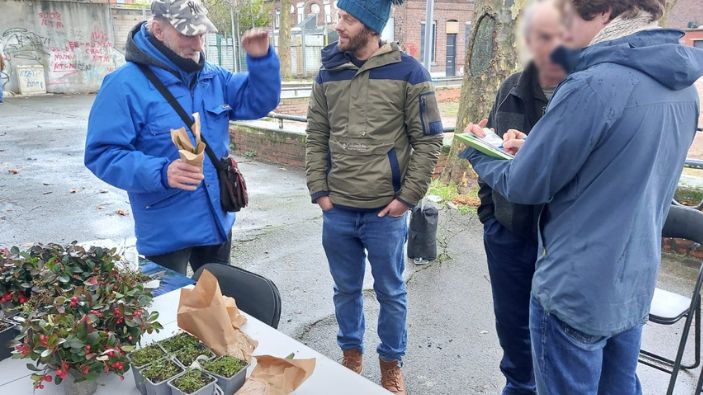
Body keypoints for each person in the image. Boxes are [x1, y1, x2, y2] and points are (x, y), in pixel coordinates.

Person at [465, 0, 703, 393]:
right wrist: (536, 148)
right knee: (620, 385)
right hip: (632, 282)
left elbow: (526, 184)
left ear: (604, 12)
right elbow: (618, 165)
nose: (564, 31)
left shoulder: (592, 84)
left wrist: (476, 151)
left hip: (575, 290)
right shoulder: (682, 88)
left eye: (569, 16)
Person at [305, 0, 443, 393]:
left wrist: (407, 199)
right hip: (338, 213)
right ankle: (351, 355)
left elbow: (429, 140)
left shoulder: (409, 72)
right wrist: (320, 191)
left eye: (347, 18)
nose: (338, 26)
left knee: (391, 292)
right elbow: (316, 135)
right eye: (339, 16)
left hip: (386, 213)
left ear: (370, 24)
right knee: (345, 290)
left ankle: (390, 364)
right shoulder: (328, 72)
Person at [85, 0, 281, 274]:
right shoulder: (123, 85)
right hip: (165, 232)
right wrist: (162, 172)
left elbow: (259, 102)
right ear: (158, 30)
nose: (198, 44)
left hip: (216, 223)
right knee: (165, 311)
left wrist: (261, 61)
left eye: (201, 34)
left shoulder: (213, 77)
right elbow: (102, 153)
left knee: (216, 309)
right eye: (187, 34)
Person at [462, 1, 564, 394]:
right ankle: (518, 386)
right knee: (514, 336)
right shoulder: (510, 89)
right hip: (508, 236)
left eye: (551, 36)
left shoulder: (581, 93)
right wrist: (490, 215)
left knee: (558, 343)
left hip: (558, 244)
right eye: (533, 36)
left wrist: (533, 148)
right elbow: (495, 156)